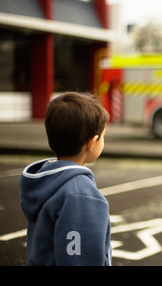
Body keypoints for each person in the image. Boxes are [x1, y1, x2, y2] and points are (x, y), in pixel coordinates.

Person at [19, 92, 111, 266]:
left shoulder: (47, 180)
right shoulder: (80, 195)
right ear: (92, 143)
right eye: (103, 137)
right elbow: (81, 259)